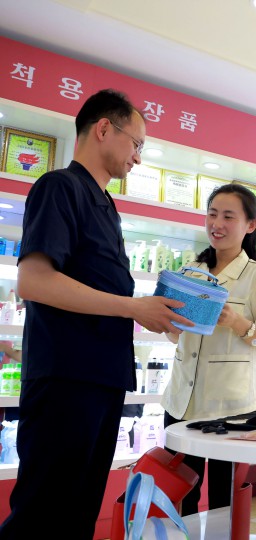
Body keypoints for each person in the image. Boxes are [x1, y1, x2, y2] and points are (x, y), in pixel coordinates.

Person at [0, 89, 192, 539]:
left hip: (102, 380)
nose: (138, 157)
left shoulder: (107, 206)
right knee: (43, 513)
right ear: (104, 128)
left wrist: (151, 309)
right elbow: (35, 282)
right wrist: (133, 307)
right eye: (137, 143)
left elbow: (100, 288)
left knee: (79, 510)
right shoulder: (60, 187)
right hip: (67, 379)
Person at [162, 183, 256, 515]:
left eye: (228, 216)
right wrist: (170, 325)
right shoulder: (190, 272)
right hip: (181, 401)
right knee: (178, 493)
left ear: (250, 225)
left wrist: (237, 322)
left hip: (231, 408)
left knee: (224, 500)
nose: (217, 224)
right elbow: (177, 337)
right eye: (212, 214)